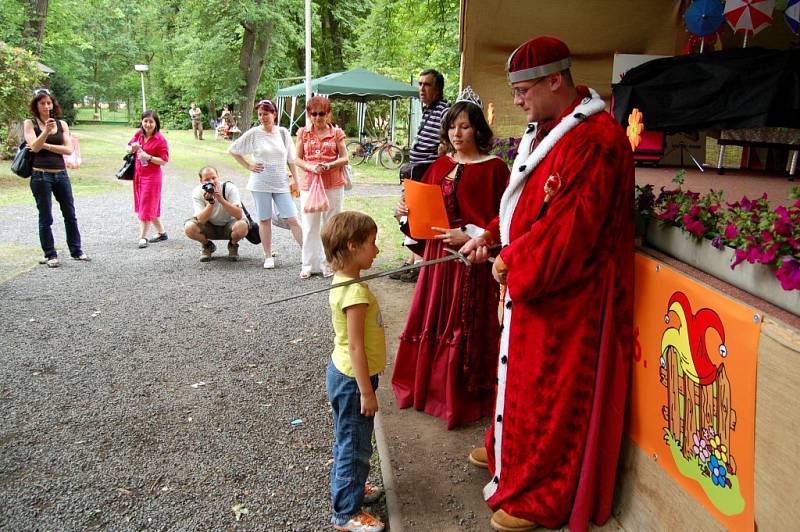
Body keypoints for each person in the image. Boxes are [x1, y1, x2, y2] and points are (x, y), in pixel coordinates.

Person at [459, 36, 635, 532]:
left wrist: (511, 260)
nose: (516, 99)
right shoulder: (549, 128)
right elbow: (528, 205)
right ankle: (509, 460)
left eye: (523, 89)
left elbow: (572, 232)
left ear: (556, 80)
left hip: (570, 295)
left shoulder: (596, 140)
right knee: (518, 381)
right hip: (535, 279)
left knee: (550, 393)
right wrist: (492, 236)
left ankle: (540, 495)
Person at [390, 87, 509, 429]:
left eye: (465, 127)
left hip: (468, 262)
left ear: (478, 131)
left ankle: (458, 396)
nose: (457, 134)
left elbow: (506, 217)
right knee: (432, 319)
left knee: (462, 324)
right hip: (435, 258)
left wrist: (470, 235)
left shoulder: (495, 169)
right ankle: (427, 389)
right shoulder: (440, 165)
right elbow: (421, 209)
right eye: (452, 127)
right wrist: (404, 211)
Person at [320, 211, 385, 532]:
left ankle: (353, 485)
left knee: (349, 438)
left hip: (343, 373)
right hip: (353, 380)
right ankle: (345, 512)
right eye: (372, 244)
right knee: (354, 446)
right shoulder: (355, 293)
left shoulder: (344, 280)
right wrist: (367, 391)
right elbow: (357, 346)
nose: (377, 250)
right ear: (352, 245)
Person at [390, 68, 450, 283]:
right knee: (407, 214)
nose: (421, 89)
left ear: (438, 89)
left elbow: (446, 146)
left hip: (427, 171)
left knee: (417, 217)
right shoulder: (428, 110)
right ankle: (412, 261)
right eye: (420, 84)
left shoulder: (445, 111)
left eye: (427, 85)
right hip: (416, 170)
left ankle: (419, 265)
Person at [229, 99, 302, 269]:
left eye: (266, 114)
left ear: (274, 114)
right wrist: (249, 165)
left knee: (293, 218)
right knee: (265, 219)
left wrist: (296, 181)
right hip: (260, 183)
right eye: (260, 114)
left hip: (281, 183)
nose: (262, 117)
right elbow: (233, 149)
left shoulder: (283, 133)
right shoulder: (255, 133)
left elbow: (291, 159)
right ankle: (268, 255)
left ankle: (307, 253)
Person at [23, 88, 90, 267]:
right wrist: (45, 132)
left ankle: (77, 250)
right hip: (40, 175)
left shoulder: (62, 124)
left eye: (49, 103)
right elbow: (34, 148)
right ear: (36, 105)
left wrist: (45, 145)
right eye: (42, 103)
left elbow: (68, 149)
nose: (46, 106)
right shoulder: (30, 123)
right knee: (46, 216)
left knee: (70, 213)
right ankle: (50, 254)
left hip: (60, 174)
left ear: (53, 104)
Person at [295, 96, 349, 279]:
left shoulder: (336, 133)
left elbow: (345, 157)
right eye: (314, 114)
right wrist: (310, 167)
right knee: (310, 225)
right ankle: (308, 264)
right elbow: (297, 158)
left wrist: (330, 165)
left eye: (321, 113)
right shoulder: (303, 133)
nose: (317, 117)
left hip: (333, 184)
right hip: (310, 184)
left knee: (331, 225)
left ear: (328, 114)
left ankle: (328, 263)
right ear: (309, 115)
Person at [184, 166, 249, 262]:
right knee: (189, 227)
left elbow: (239, 215)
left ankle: (233, 244)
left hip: (229, 225)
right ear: (201, 181)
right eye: (207, 180)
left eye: (214, 178)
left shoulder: (229, 188)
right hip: (209, 226)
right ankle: (207, 245)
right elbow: (201, 220)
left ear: (218, 177)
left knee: (242, 225)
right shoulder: (197, 192)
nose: (211, 182)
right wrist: (211, 203)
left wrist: (221, 199)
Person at [127, 110, 169, 248]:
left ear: (156, 123)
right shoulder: (139, 134)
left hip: (152, 178)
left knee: (146, 205)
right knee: (147, 204)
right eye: (145, 121)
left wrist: (149, 157)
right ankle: (162, 233)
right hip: (138, 175)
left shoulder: (160, 139)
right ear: (142, 122)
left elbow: (164, 160)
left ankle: (143, 237)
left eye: (151, 121)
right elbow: (128, 148)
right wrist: (131, 148)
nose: (148, 124)